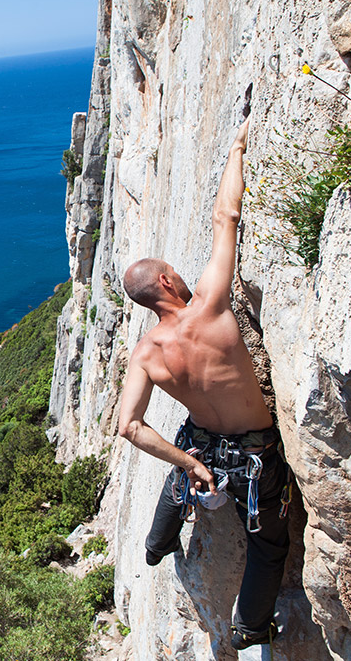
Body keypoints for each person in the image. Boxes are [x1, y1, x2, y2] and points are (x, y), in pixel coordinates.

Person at [117, 117, 292, 651]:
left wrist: (190, 463)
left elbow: (128, 427)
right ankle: (250, 627)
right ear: (168, 282)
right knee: (268, 546)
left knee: (188, 452)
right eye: (174, 271)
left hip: (208, 449)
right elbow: (226, 218)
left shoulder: (145, 354)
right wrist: (236, 146)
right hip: (256, 453)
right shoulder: (210, 307)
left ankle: (156, 541)